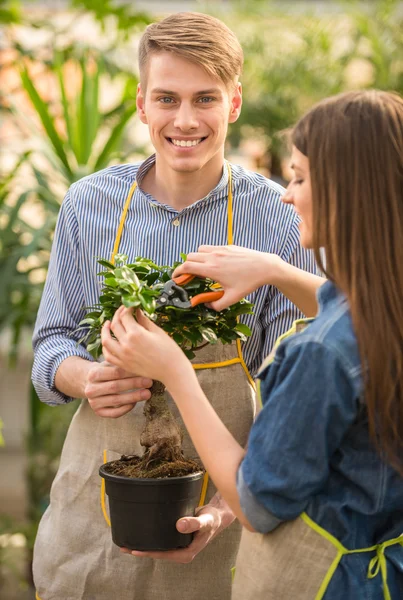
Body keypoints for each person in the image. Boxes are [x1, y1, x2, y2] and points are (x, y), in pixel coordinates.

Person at [31, 12, 318, 600]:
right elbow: (50, 345)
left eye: (204, 98)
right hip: (97, 514)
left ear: (233, 103)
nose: (184, 120)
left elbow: (296, 387)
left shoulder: (279, 216)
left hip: (228, 516)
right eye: (167, 98)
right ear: (141, 103)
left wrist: (222, 509)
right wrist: (84, 375)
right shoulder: (89, 205)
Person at [101, 90, 403, 599]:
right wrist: (273, 270)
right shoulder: (386, 305)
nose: (287, 195)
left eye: (301, 178)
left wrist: (175, 372)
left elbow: (253, 503)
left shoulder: (322, 355)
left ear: (352, 193)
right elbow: (353, 311)